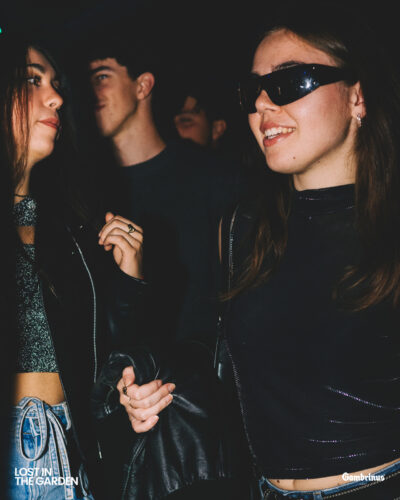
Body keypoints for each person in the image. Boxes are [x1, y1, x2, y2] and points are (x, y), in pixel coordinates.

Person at [119, 2, 400, 499]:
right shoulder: (242, 229)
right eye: (252, 91)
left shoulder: (388, 229)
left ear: (357, 96)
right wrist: (153, 385)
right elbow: (218, 358)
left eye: (289, 82)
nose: (263, 105)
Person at [84, 26, 251, 499]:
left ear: (143, 85)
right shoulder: (85, 196)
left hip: (204, 428)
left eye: (102, 76)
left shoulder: (214, 179)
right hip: (123, 424)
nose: (90, 92)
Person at [0, 35, 146, 500]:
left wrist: (129, 282)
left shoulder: (69, 224)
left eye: (56, 84)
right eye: (32, 81)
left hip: (71, 442)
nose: (56, 98)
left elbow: (112, 359)